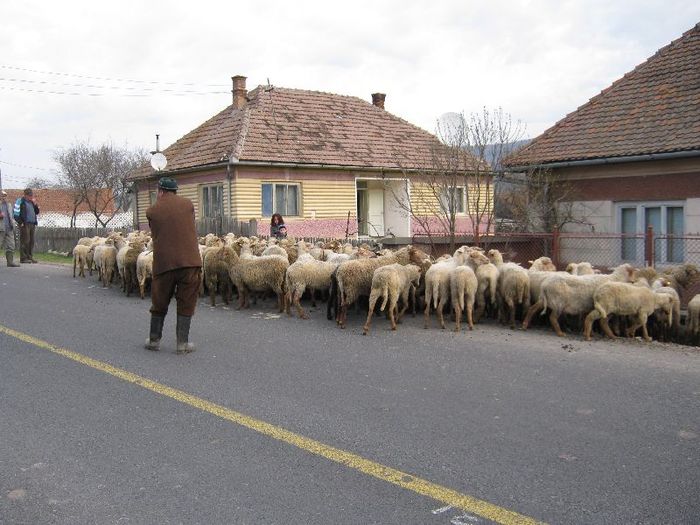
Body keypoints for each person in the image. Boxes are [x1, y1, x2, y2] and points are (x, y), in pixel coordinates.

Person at [144, 177, 202, 354]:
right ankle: (182, 344)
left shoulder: (152, 211)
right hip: (190, 262)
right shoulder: (188, 204)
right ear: (176, 190)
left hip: (165, 263)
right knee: (186, 301)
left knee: (159, 301)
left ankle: (154, 340)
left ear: (160, 191)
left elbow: (157, 233)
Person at [16, 188, 40, 264]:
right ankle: (23, 258)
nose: (31, 197)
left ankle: (30, 257)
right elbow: (16, 213)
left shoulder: (32, 202)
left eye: (31, 195)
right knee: (25, 241)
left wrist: (35, 204)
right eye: (29, 195)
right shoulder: (20, 201)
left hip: (32, 223)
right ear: (25, 195)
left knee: (31, 241)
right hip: (24, 224)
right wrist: (20, 222)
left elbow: (37, 212)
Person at [0, 190, 20, 267]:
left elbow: (11, 216)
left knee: (11, 245)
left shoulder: (9, 205)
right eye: (2, 196)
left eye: (5, 196)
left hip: (9, 228)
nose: (4, 197)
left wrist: (14, 223)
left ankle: (10, 262)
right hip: (1, 229)